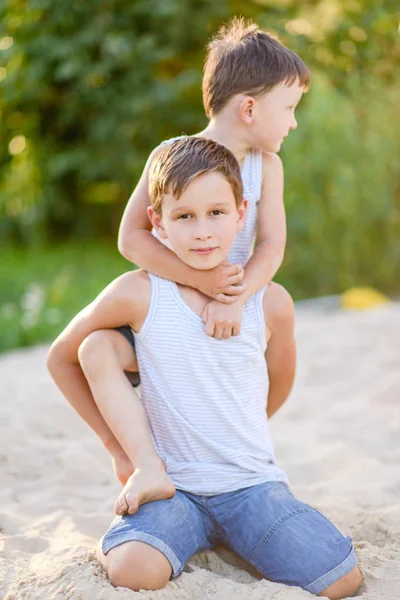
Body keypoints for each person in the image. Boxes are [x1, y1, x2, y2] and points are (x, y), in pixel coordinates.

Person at [47, 137, 361, 598]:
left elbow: (281, 377)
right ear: (157, 222)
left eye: (216, 213)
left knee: (338, 578)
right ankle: (172, 508)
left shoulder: (270, 302)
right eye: (184, 216)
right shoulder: (138, 293)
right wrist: (119, 450)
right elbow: (62, 358)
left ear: (240, 212)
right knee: (132, 571)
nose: (202, 232)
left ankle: (239, 532)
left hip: (251, 484)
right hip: (173, 487)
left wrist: (242, 426)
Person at [61, 17, 310, 514]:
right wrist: (200, 281)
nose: (293, 121)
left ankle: (237, 442)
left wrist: (234, 296)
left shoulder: (267, 167)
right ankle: (131, 454)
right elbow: (130, 237)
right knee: (99, 348)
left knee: (284, 330)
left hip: (235, 310)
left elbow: (272, 246)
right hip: (173, 311)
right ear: (249, 108)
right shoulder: (169, 158)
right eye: (289, 108)